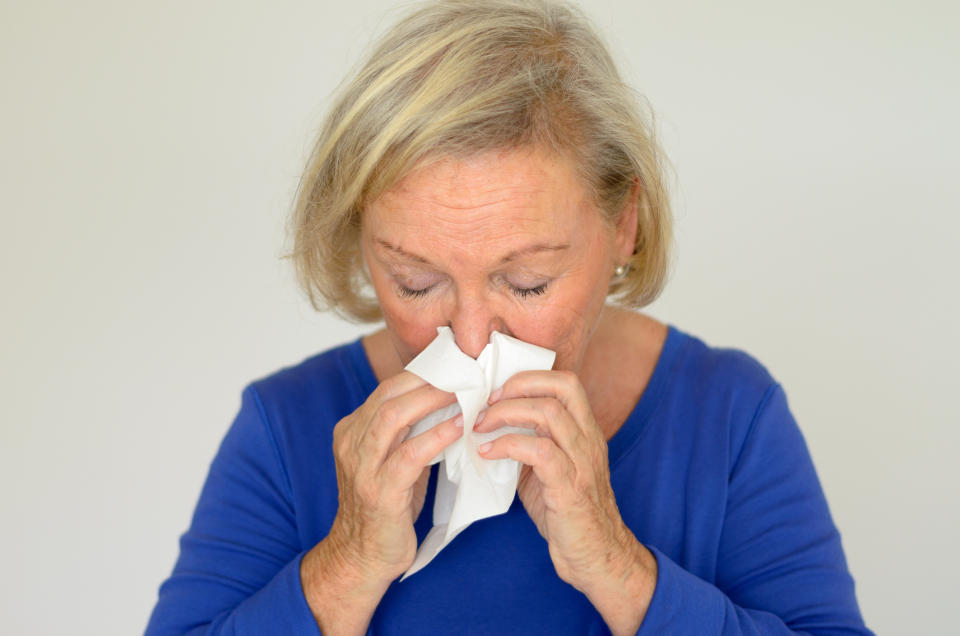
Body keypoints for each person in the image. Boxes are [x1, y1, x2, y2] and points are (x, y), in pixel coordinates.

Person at [145, 1, 872, 634]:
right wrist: (350, 560)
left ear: (624, 226)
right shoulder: (287, 424)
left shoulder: (728, 416)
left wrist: (619, 567)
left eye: (526, 284)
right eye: (415, 280)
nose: (468, 339)